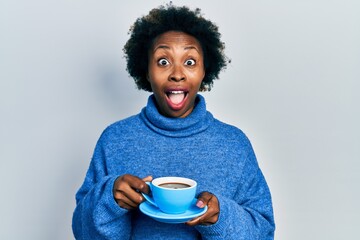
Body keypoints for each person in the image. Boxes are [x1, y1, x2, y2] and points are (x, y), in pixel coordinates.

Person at [72, 4, 275, 240]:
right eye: (163, 61)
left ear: (204, 71)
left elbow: (264, 232)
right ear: (146, 71)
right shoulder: (114, 139)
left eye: (190, 62)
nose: (177, 73)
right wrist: (109, 200)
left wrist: (220, 218)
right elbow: (83, 232)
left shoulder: (234, 144)